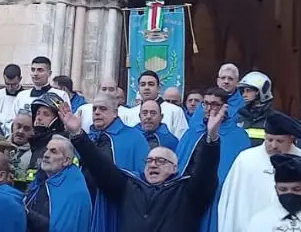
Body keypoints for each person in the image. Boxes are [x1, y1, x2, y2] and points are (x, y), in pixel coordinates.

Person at [61, 98, 224, 231]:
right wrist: (78, 134)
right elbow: (101, 167)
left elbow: (205, 173)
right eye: (150, 161)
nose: (153, 165)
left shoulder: (186, 191)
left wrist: (212, 139)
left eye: (161, 161)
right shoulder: (129, 186)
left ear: (175, 168)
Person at [217, 111, 301, 232]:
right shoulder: (246, 160)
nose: (274, 145)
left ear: (291, 139)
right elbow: (231, 202)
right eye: (270, 140)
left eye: (279, 141)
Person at [177, 87, 248, 232]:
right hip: (188, 194)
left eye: (215, 104)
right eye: (206, 103)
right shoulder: (192, 132)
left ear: (225, 107)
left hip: (217, 193)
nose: (209, 108)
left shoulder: (237, 135)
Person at [83, 92, 148, 232]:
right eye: (94, 109)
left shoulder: (134, 138)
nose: (97, 113)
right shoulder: (87, 138)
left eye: (103, 109)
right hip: (88, 203)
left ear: (115, 112)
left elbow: (142, 176)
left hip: (115, 207)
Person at [23, 135, 92, 232]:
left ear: (66, 161)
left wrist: (27, 213)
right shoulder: (39, 181)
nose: (46, 155)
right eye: (47, 150)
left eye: (53, 151)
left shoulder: (75, 192)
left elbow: (61, 229)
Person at [121, 71, 187, 139]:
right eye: (143, 84)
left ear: (158, 88)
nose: (146, 88)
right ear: (139, 89)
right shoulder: (130, 113)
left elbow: (181, 138)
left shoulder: (175, 111)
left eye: (151, 84)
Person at [234, 71, 274, 146]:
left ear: (260, 91)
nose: (244, 95)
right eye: (243, 91)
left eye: (248, 91)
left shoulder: (273, 119)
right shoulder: (240, 116)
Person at [0, 64, 23, 131]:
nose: (10, 88)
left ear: (20, 79)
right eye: (7, 84)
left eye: (14, 84)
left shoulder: (25, 97)